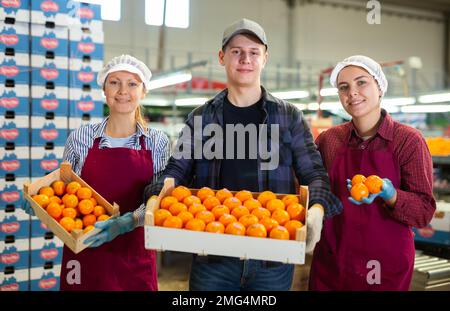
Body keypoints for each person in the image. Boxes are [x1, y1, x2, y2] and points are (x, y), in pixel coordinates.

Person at [142, 18, 343, 291]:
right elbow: (176, 170)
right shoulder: (201, 117)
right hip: (211, 255)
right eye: (236, 51)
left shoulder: (288, 117)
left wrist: (317, 209)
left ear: (265, 58)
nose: (245, 59)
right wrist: (158, 194)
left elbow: (314, 174)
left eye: (254, 52)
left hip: (273, 255)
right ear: (222, 57)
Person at [25, 55, 170, 290]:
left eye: (132, 84)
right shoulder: (81, 138)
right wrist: (40, 203)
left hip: (134, 254)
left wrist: (130, 220)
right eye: (114, 82)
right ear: (104, 88)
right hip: (84, 251)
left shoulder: (158, 142)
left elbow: (158, 200)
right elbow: (63, 192)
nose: (123, 90)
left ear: (143, 92)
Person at [309, 55, 436, 291]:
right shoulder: (329, 140)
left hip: (384, 266)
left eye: (361, 82)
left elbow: (424, 213)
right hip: (333, 259)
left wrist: (391, 195)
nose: (352, 93)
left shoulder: (408, 141)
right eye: (343, 87)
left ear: (379, 87)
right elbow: (313, 189)